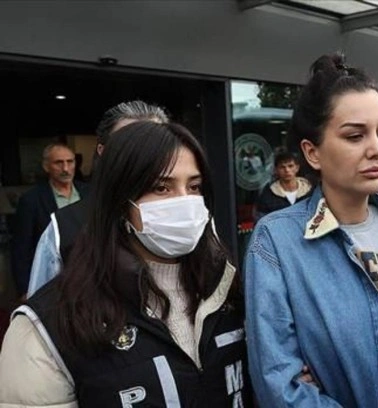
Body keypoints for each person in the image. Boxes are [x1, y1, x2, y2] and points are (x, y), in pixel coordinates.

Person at [245, 53, 378, 407]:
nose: (377, 149)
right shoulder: (278, 241)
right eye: (354, 136)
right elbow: (281, 384)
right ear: (312, 153)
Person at [0, 121, 253, 406]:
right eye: (161, 188)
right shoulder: (52, 324)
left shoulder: (227, 290)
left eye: (194, 186)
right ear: (120, 201)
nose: (184, 202)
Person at [26, 100, 169, 297]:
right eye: (127, 144)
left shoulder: (193, 215)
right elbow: (41, 309)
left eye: (155, 144)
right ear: (103, 151)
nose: (141, 155)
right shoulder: (63, 228)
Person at [11, 142, 88, 296]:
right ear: (46, 167)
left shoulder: (90, 192)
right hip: (52, 279)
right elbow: (21, 247)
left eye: (70, 162)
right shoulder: (31, 200)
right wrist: (25, 290)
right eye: (58, 163)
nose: (65, 168)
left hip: (89, 276)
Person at [254, 150, 312, 220]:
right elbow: (261, 220)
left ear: (297, 168)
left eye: (290, 166)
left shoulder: (310, 190)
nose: (287, 170)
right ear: (276, 170)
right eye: (282, 167)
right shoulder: (268, 193)